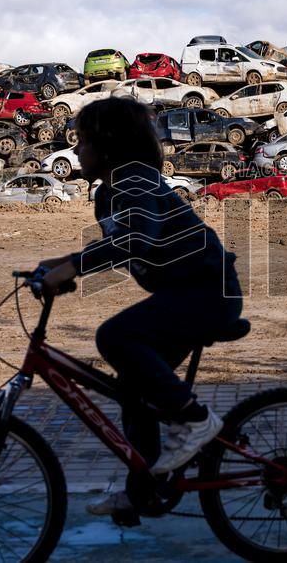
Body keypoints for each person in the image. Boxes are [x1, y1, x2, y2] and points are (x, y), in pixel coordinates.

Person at [37, 97, 243, 515]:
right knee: (136, 390)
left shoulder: (136, 180)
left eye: (82, 141)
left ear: (107, 144)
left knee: (115, 336)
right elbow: (119, 242)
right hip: (186, 294)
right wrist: (58, 266)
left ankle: (196, 420)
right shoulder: (111, 192)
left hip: (208, 292)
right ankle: (144, 490)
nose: (76, 151)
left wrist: (74, 265)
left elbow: (138, 239)